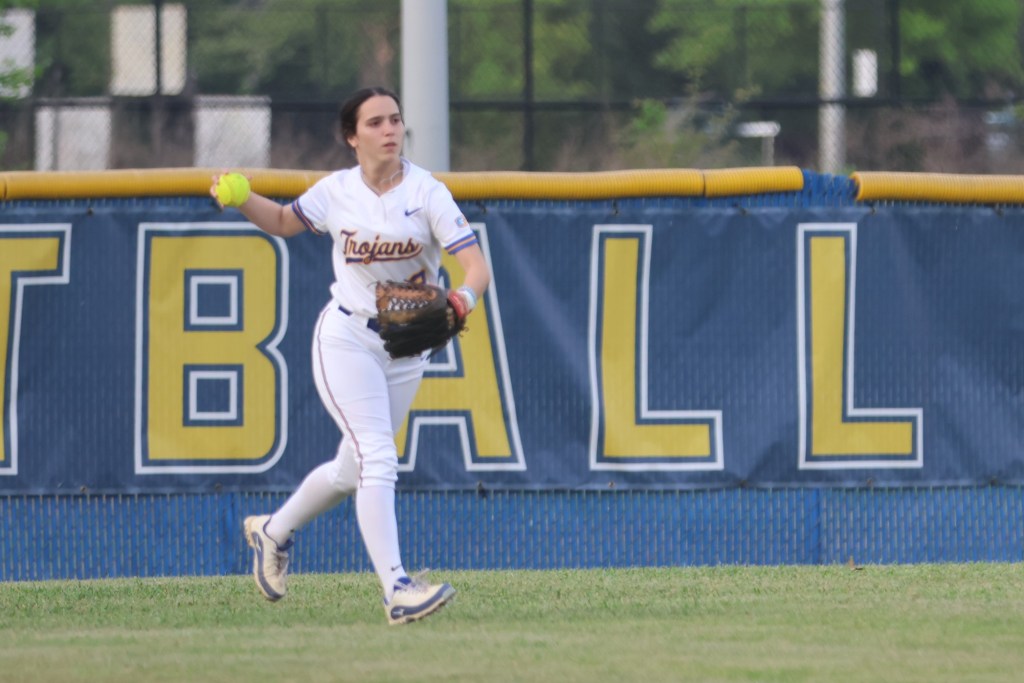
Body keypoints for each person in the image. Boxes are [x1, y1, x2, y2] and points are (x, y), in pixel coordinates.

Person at [210, 86, 490, 625]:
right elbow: (284, 221)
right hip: (347, 339)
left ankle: (272, 531)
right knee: (378, 456)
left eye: (395, 120)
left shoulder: (427, 192)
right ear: (351, 137)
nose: (390, 130)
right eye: (375, 122)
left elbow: (476, 268)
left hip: (407, 348)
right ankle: (397, 589)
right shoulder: (336, 191)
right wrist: (243, 197)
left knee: (351, 468)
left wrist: (462, 299)